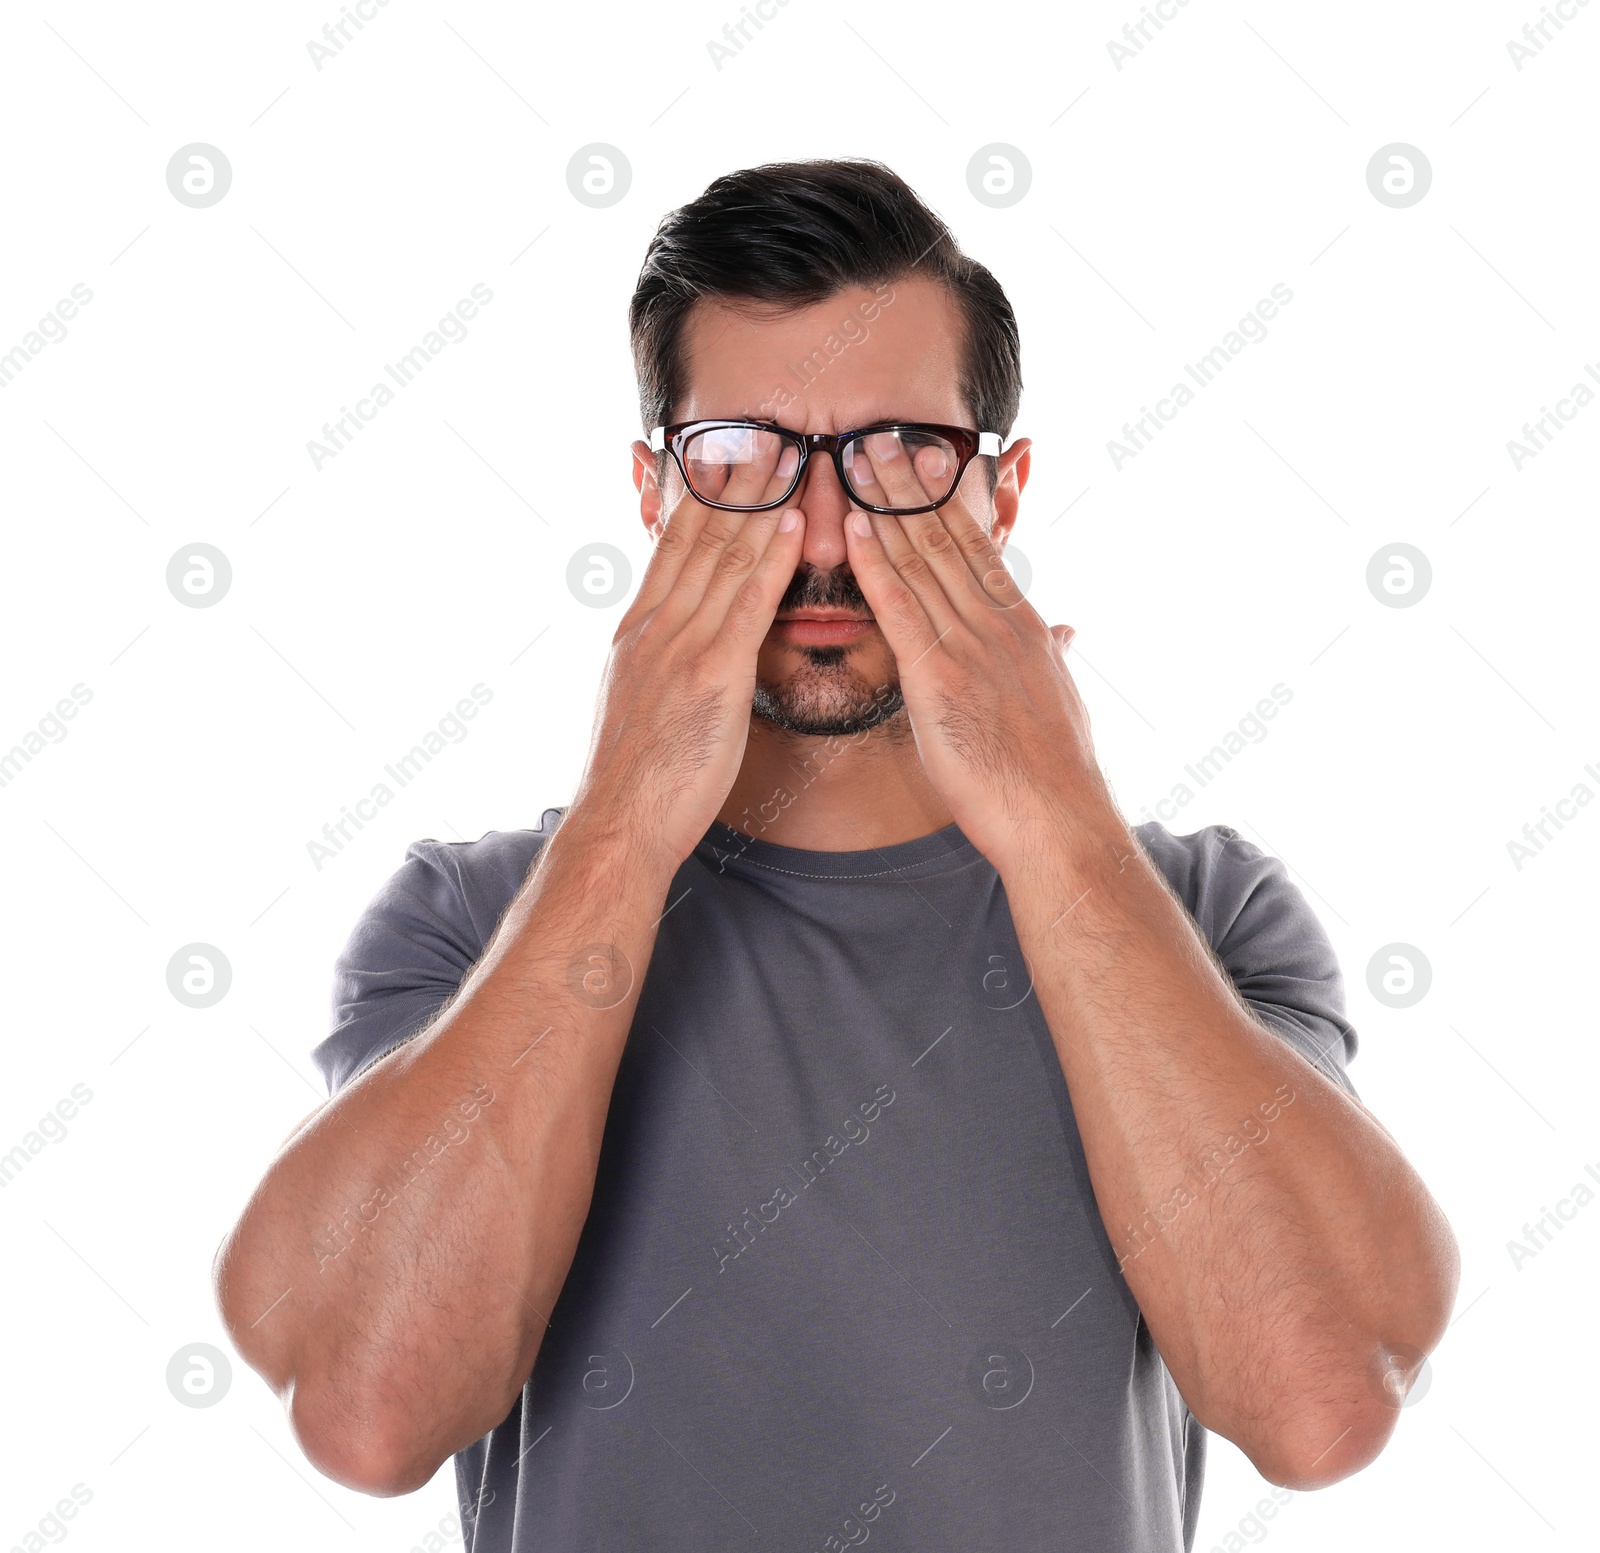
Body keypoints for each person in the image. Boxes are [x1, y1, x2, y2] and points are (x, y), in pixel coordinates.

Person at [214, 159, 1459, 1552]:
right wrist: (626, 814)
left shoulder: (1204, 911)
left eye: (898, 454)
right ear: (653, 492)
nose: (821, 536)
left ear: (1002, 489)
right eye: (741, 457)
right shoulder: (473, 916)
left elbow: (1319, 1405)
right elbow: (369, 1411)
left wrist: (1054, 816)